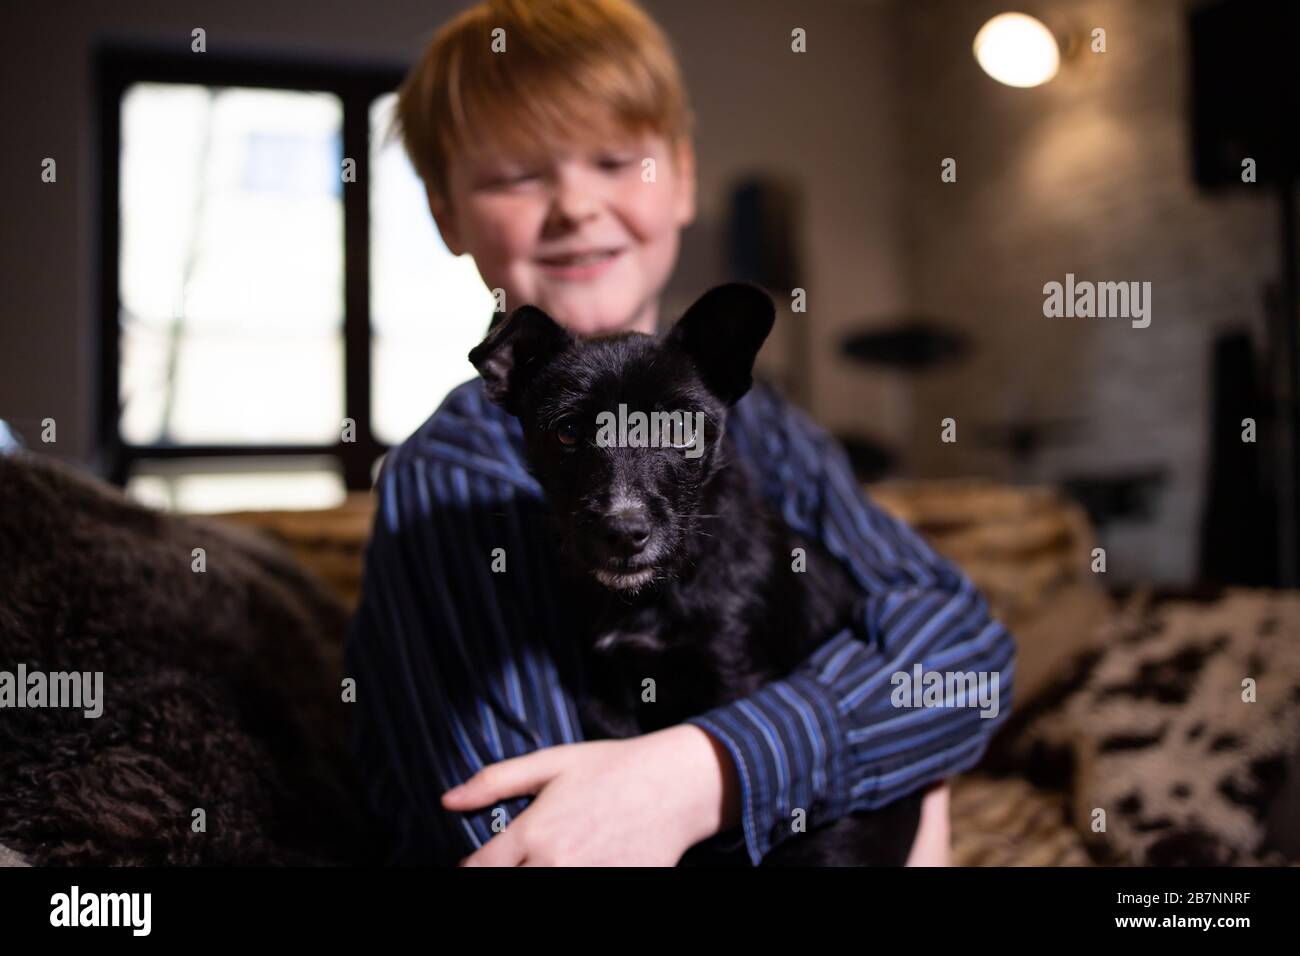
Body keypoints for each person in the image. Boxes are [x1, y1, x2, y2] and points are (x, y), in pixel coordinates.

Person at [345, 0, 1015, 866]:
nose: (576, 206)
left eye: (619, 161)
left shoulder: (768, 425)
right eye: (516, 176)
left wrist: (709, 771)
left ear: (686, 180)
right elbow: (527, 838)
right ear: (446, 216)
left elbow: (967, 655)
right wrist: (900, 768)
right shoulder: (444, 478)